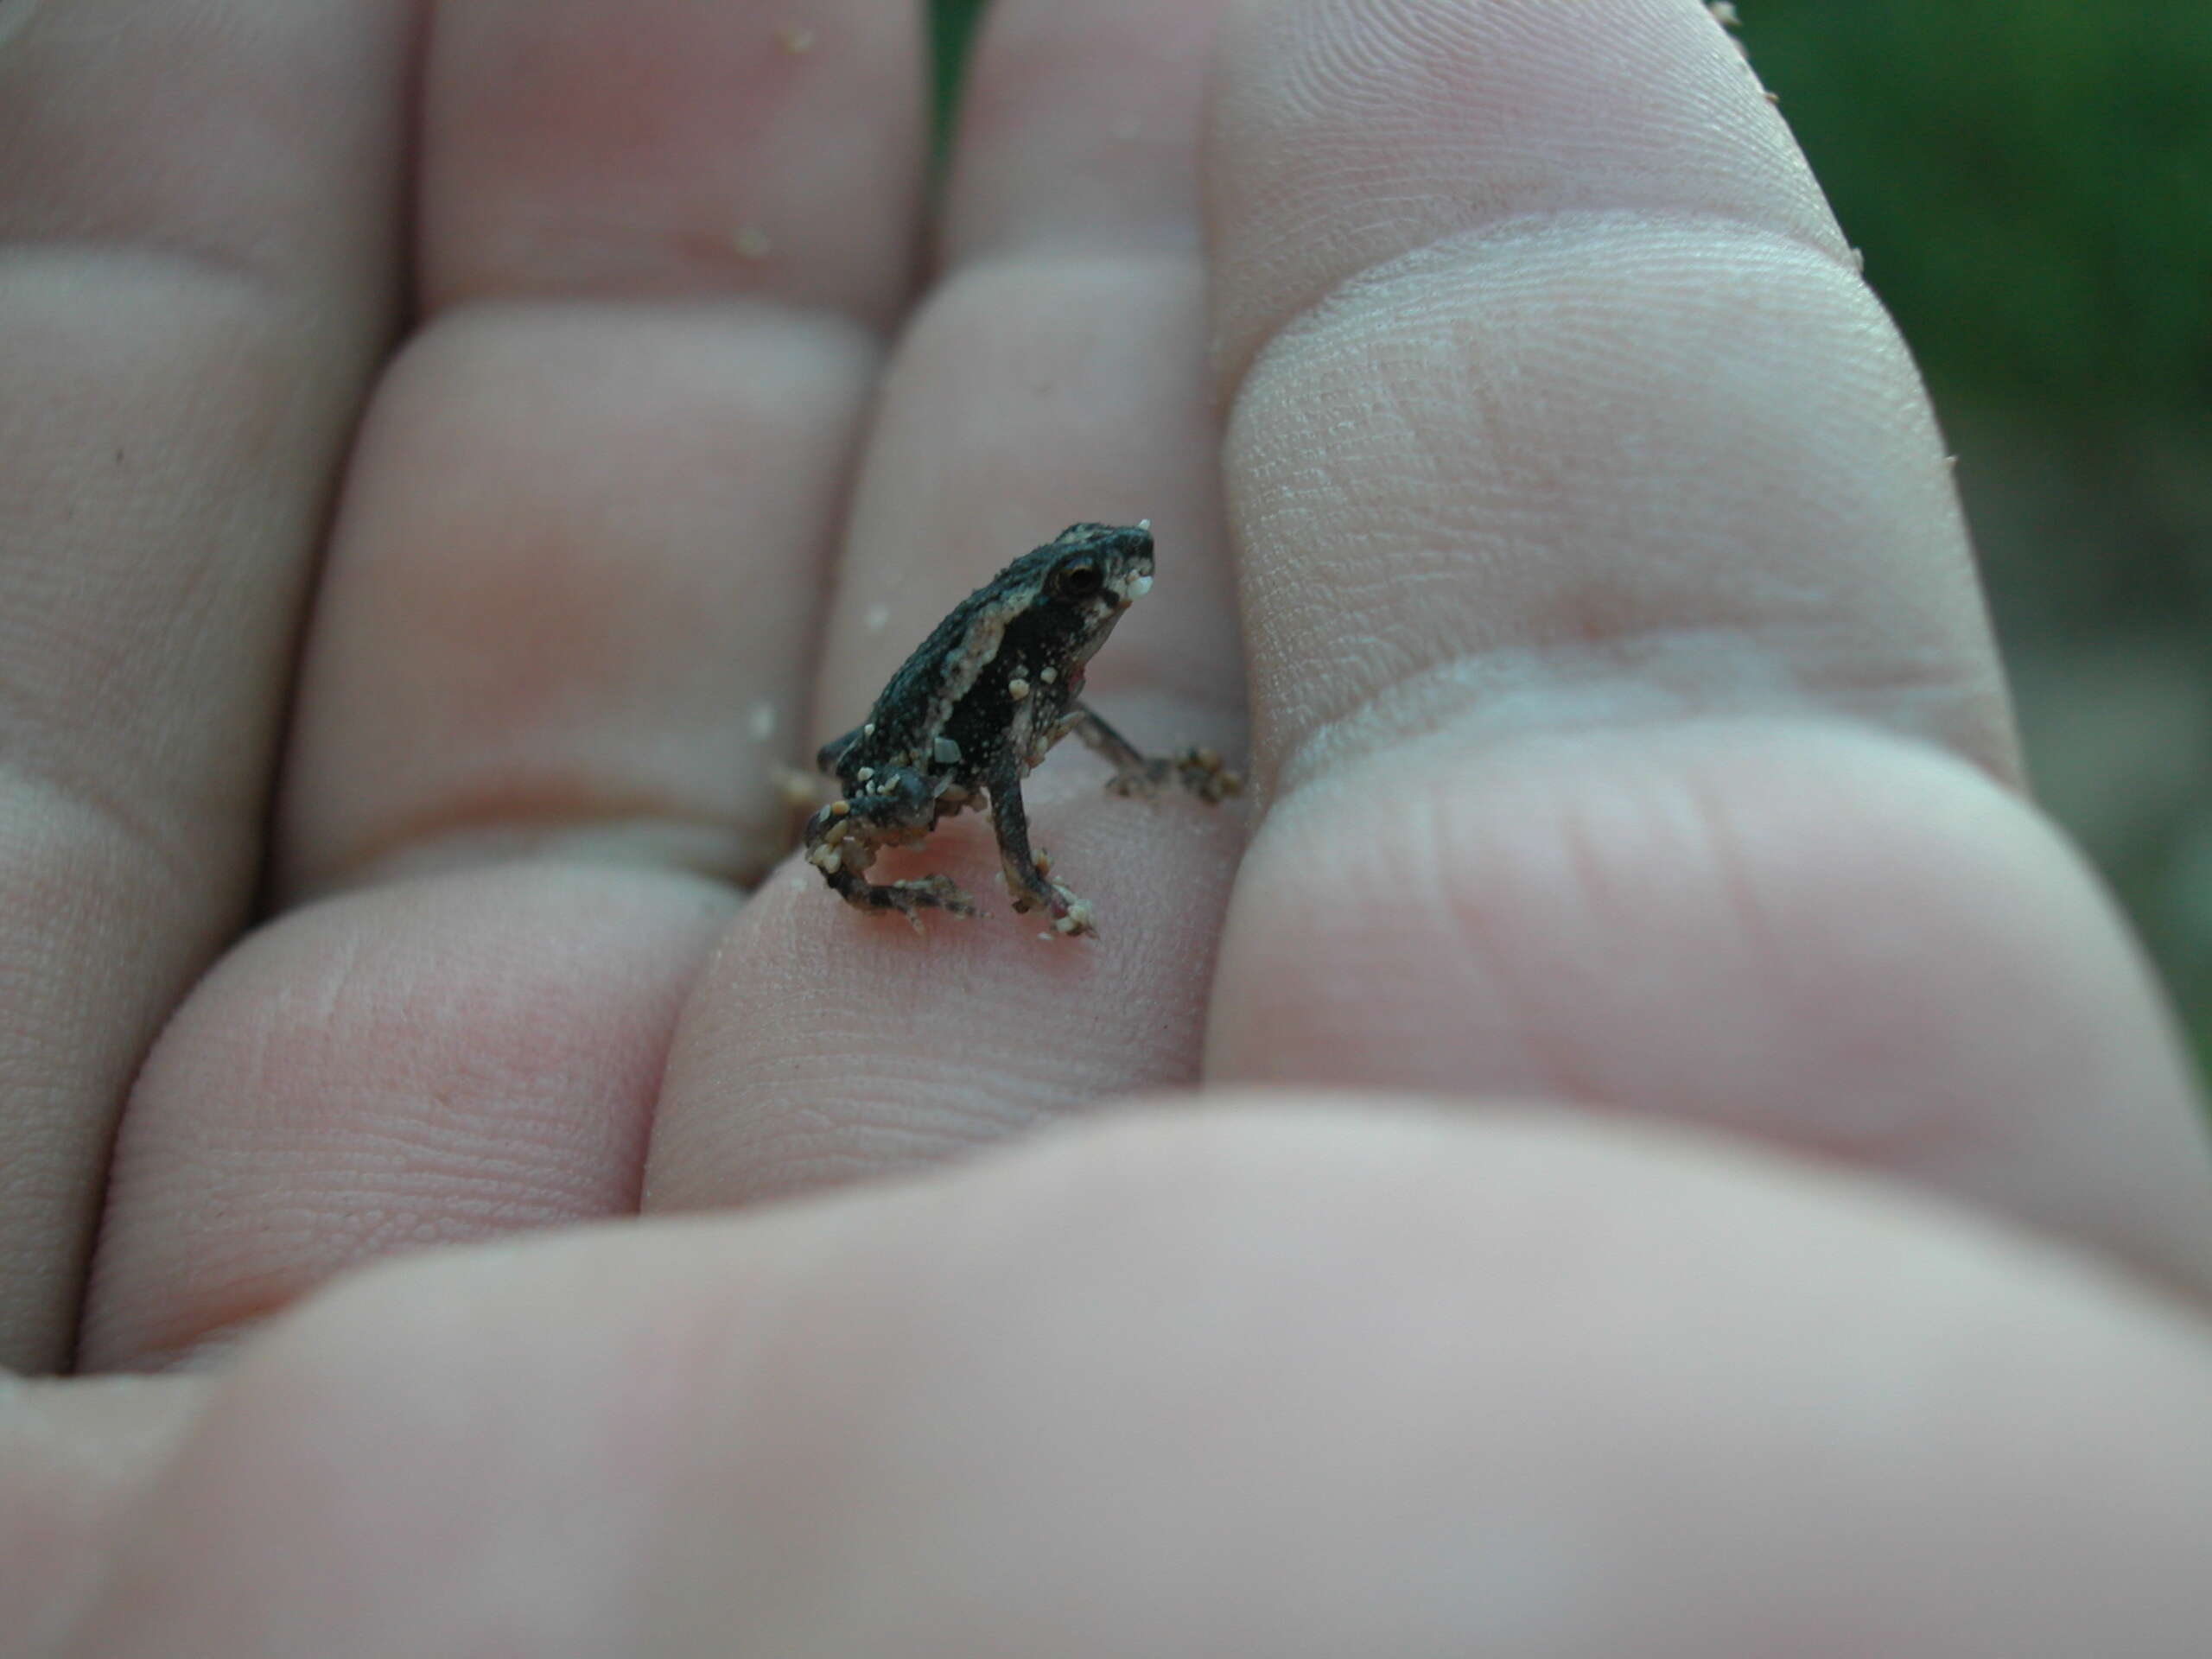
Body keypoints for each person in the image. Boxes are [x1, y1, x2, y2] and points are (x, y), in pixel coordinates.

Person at [5, 0, 2208, 1651]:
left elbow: (1062, 735)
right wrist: (1006, 889)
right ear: (1074, 597)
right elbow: (978, 758)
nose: (1120, 601)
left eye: (1112, 582)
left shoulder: (1060, 660)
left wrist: (1124, 790)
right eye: (1104, 586)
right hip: (893, 762)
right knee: (892, 801)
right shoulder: (1022, 662)